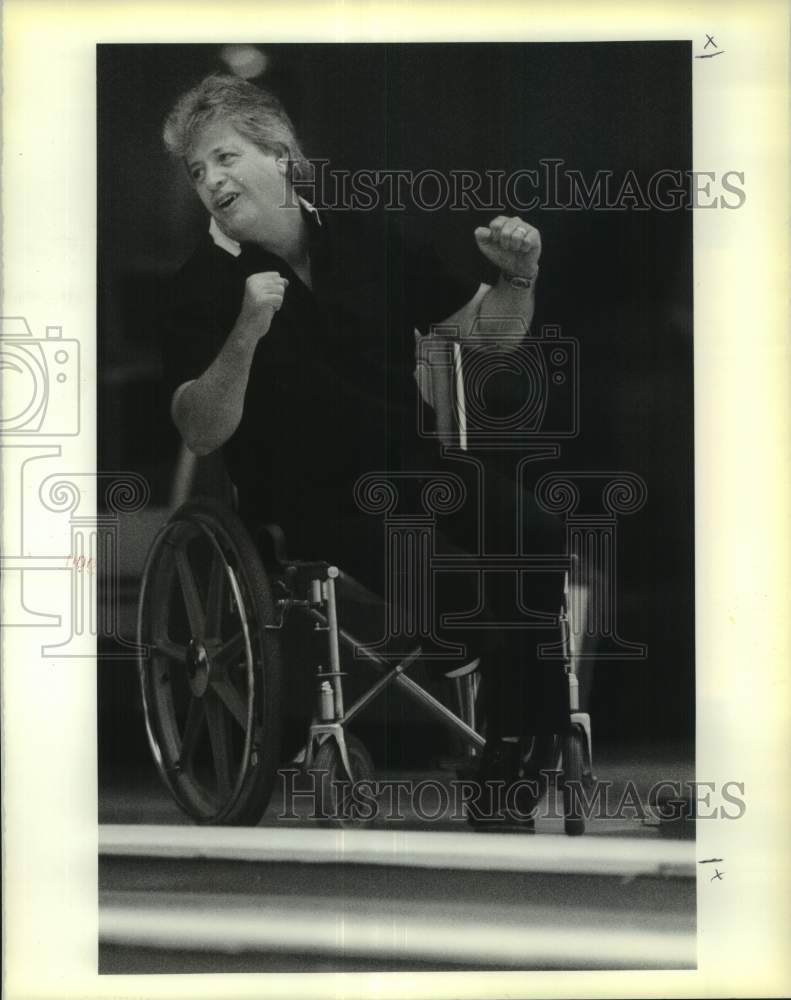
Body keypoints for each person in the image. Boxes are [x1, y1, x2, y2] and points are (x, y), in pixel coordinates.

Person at [160, 73, 566, 825]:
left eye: (223, 157)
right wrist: (245, 332)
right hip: (311, 499)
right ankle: (512, 753)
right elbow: (200, 428)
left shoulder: (365, 239)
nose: (210, 181)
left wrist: (518, 275)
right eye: (196, 171)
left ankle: (513, 746)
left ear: (281, 155)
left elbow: (492, 335)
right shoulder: (199, 287)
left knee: (537, 534)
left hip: (416, 468)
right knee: (465, 585)